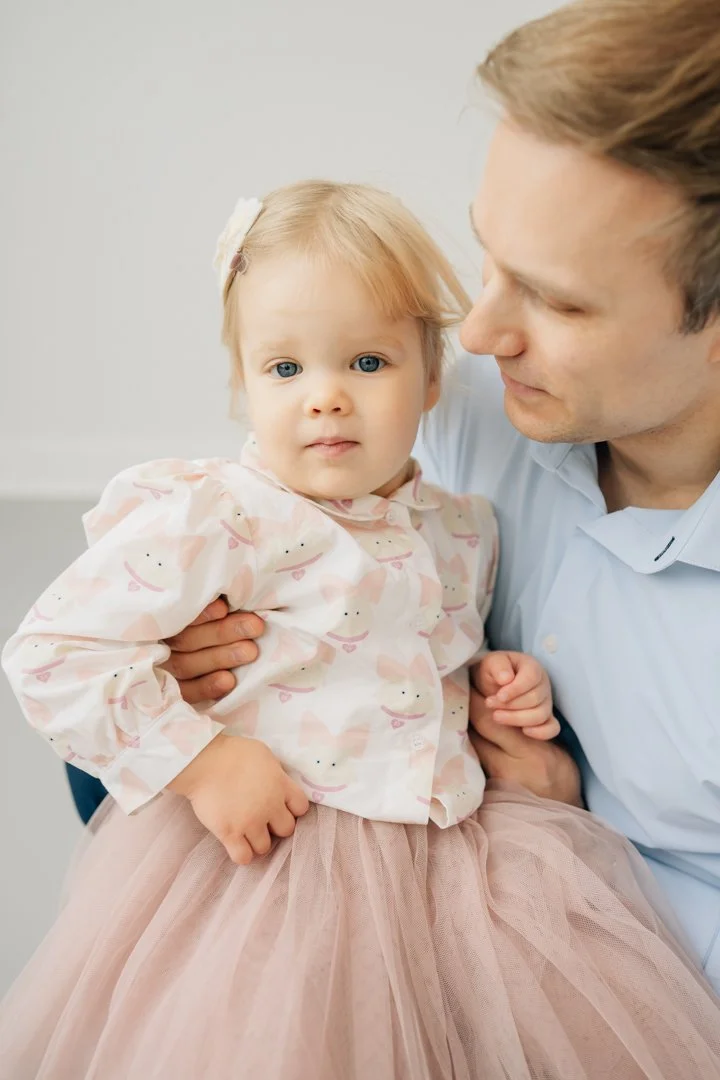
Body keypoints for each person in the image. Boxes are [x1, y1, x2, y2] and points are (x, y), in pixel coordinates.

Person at [3, 179, 719, 1080]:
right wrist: (203, 758)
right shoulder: (223, 518)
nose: (327, 398)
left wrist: (500, 687)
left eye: (367, 365)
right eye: (286, 368)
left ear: (431, 383)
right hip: (276, 863)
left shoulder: (463, 527)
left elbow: (422, 664)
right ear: (243, 384)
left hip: (453, 861)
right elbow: (53, 651)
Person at [142, 0, 720, 996]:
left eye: (559, 299)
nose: (481, 331)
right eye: (488, 258)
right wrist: (212, 653)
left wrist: (567, 826)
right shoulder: (474, 412)